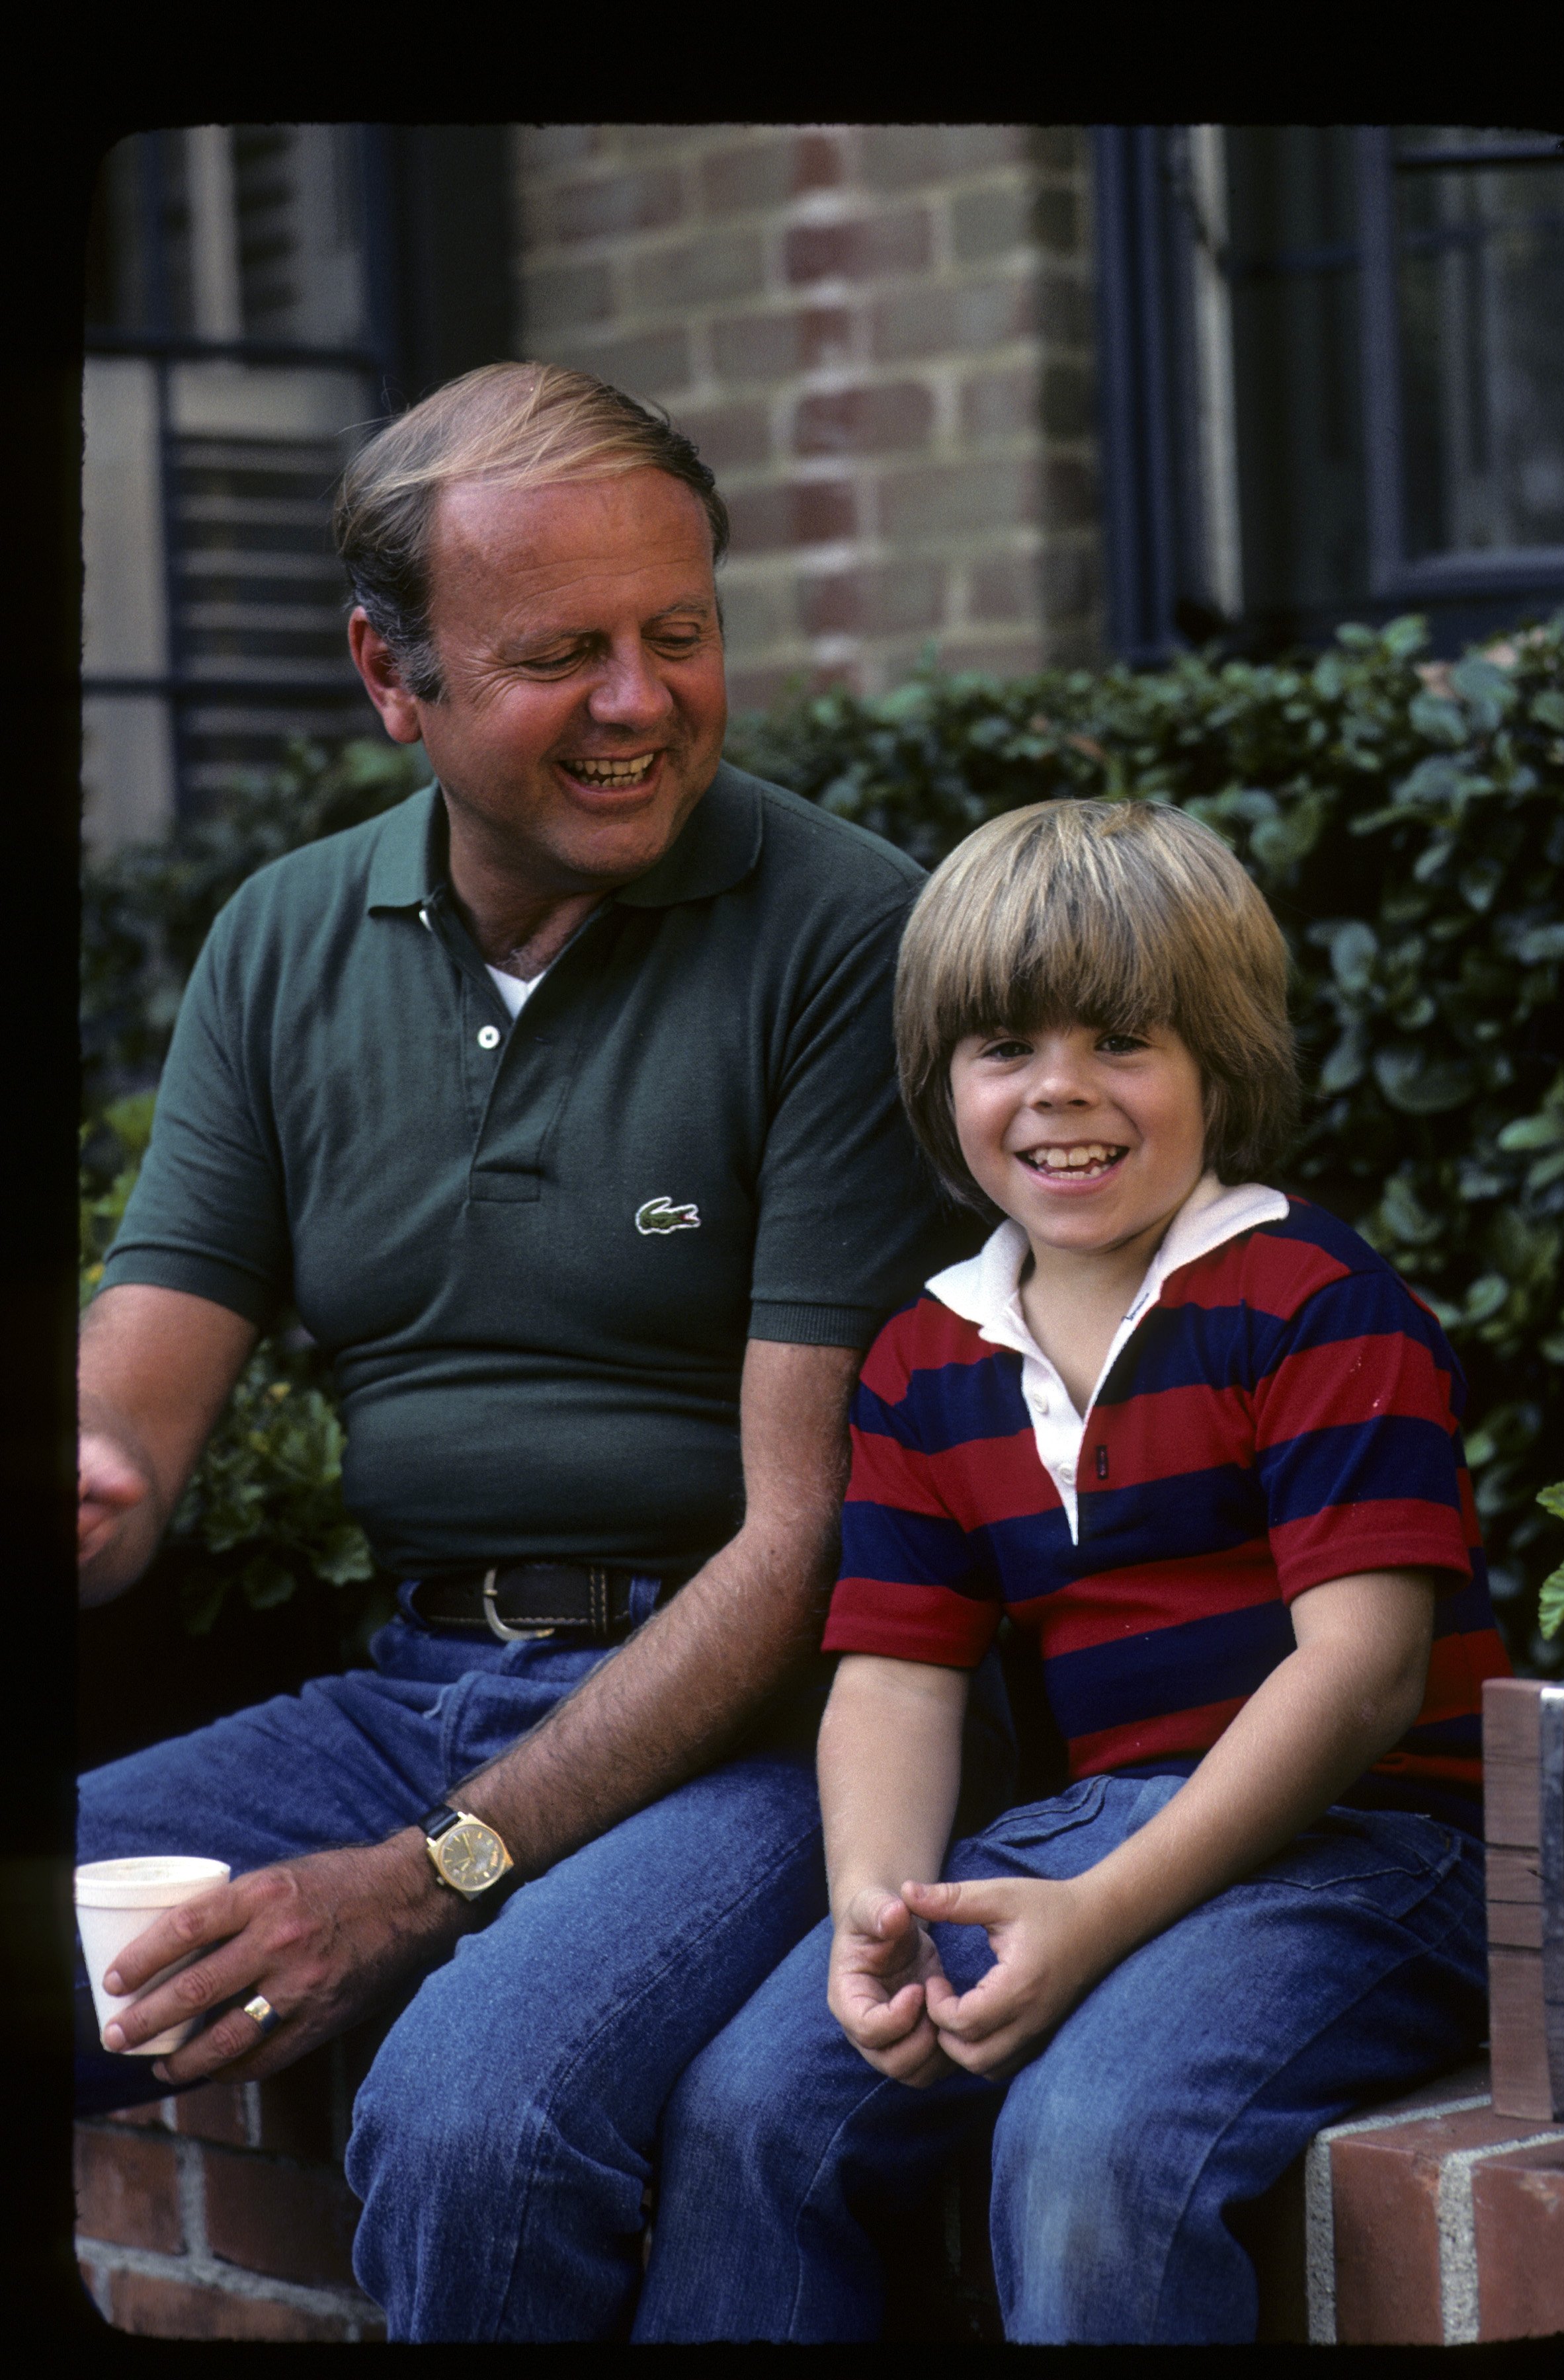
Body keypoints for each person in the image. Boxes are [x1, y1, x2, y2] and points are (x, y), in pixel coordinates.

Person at [74, 363, 993, 2342]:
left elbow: (801, 1535)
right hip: (408, 1685)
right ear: (387, 678)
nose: (643, 700)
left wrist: (429, 1874)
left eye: (680, 634)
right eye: (561, 654)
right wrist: (94, 1491)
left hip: (756, 1731)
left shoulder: (846, 939)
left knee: (477, 2123)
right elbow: (124, 1431)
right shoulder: (282, 941)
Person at [634, 797, 1512, 2345]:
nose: (1059, 1095)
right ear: (938, 1082)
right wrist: (873, 1910)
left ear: (1217, 1063)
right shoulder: (926, 1355)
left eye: (1120, 1040)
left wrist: (1097, 1916)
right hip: (1093, 1834)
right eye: (1001, 1050)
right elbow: (896, 1672)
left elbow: (1361, 1673)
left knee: (1091, 2140)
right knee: (755, 2107)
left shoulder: (1312, 1301)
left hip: (1372, 1849)